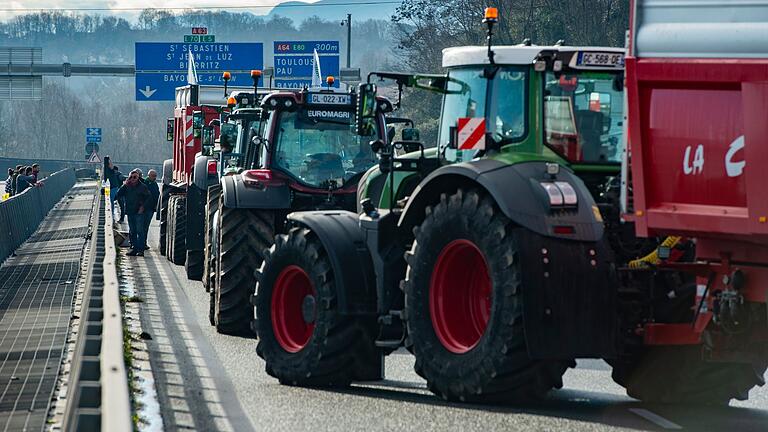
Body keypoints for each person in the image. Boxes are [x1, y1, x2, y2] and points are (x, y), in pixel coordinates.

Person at [116, 170, 153, 257]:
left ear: (138, 178)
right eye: (131, 177)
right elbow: (118, 194)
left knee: (140, 231)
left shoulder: (143, 187)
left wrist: (143, 207)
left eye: (135, 177)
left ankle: (141, 250)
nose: (133, 179)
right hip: (130, 211)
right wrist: (124, 184)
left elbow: (149, 198)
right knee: (132, 231)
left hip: (139, 212)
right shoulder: (126, 186)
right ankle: (134, 249)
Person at [143, 169, 160, 249]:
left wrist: (156, 206)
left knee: (146, 226)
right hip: (143, 208)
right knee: (141, 227)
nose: (155, 178)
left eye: (155, 176)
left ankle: (143, 243)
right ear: (148, 175)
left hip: (150, 209)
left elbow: (158, 196)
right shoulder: (144, 183)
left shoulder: (155, 184)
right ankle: (139, 243)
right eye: (153, 176)